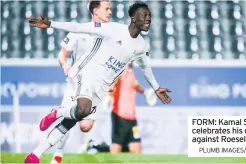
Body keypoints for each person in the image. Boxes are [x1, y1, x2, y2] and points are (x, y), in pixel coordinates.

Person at [26, 2, 172, 164]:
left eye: (150, 16)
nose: (148, 19)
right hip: (88, 72)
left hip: (102, 87)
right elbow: (79, 27)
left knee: (71, 122)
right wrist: (51, 24)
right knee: (82, 109)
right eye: (144, 15)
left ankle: (35, 155)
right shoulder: (113, 29)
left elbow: (145, 67)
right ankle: (58, 113)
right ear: (133, 17)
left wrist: (156, 88)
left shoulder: (141, 45)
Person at [50, 1, 112, 164]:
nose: (110, 12)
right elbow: (61, 55)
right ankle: (58, 155)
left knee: (85, 126)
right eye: (107, 9)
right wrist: (66, 67)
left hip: (93, 86)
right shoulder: (78, 31)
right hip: (74, 83)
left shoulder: (110, 35)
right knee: (68, 122)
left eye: (110, 8)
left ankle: (59, 113)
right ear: (95, 10)